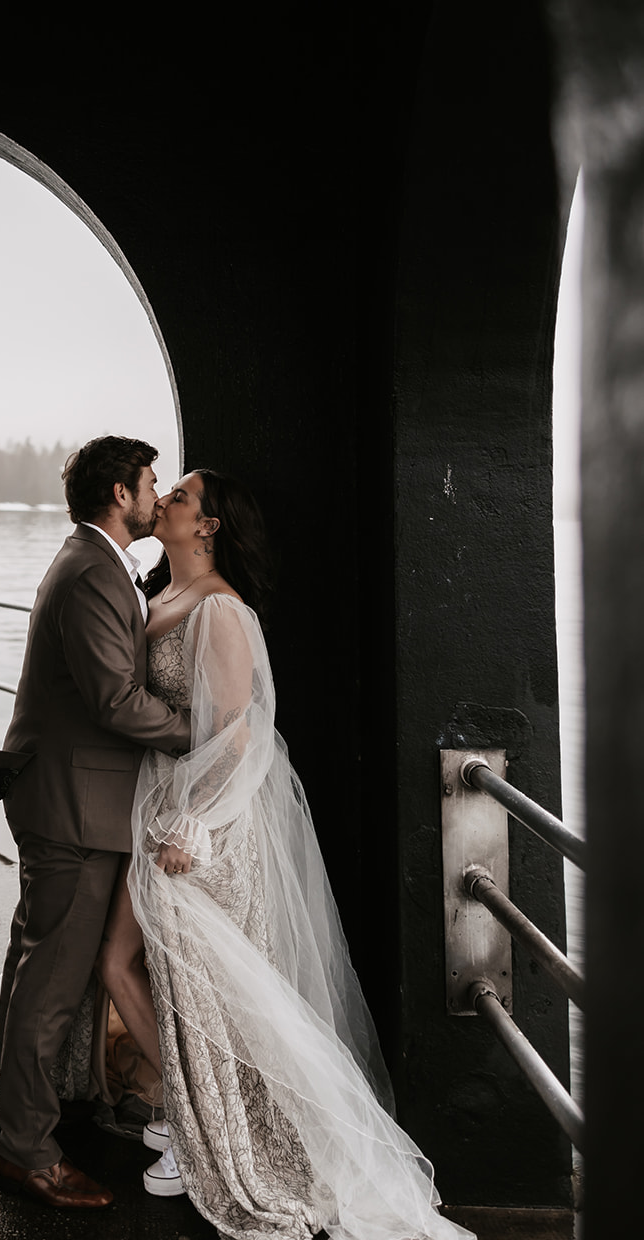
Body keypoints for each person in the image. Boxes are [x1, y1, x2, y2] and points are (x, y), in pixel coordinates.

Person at [97, 468, 475, 1240]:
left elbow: (239, 732)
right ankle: (186, 1119)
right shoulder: (158, 595)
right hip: (163, 804)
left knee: (209, 988)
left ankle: (212, 1136)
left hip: (209, 827)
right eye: (164, 491)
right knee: (128, 965)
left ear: (206, 527)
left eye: (181, 496)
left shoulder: (223, 612)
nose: (164, 498)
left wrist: (196, 825)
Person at [0, 435, 193, 1211]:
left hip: (66, 796)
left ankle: (23, 1117)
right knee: (52, 981)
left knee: (35, 964)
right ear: (118, 493)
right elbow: (113, 701)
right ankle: (27, 1153)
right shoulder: (90, 575)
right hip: (75, 806)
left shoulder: (95, 564)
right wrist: (197, 732)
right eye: (148, 483)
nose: (156, 494)